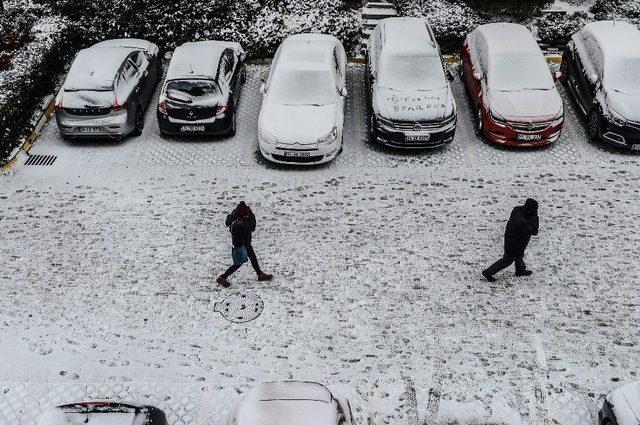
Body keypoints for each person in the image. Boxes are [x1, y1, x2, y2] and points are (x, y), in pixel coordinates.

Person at [217, 202, 273, 288]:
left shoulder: (235, 217)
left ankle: (260, 274)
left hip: (244, 242)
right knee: (238, 263)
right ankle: (223, 277)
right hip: (241, 244)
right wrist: (251, 215)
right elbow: (252, 227)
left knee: (252, 257)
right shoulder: (239, 225)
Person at [482, 198, 539, 282]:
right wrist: (534, 216)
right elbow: (534, 231)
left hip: (516, 238)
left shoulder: (517, 209)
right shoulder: (522, 221)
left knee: (519, 254)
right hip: (513, 240)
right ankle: (488, 272)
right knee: (508, 259)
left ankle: (520, 270)